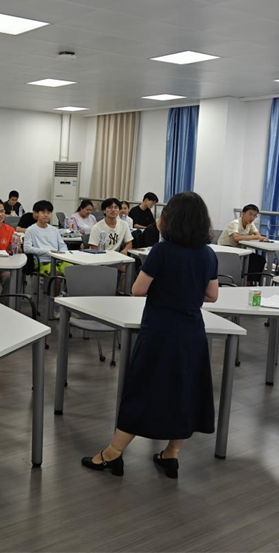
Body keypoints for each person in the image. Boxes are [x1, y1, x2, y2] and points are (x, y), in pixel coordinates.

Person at [81, 192, 219, 479]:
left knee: (143, 389)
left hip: (161, 330)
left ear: (171, 219)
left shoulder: (162, 251)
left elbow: (138, 289)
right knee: (185, 391)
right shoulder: (208, 253)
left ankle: (112, 453)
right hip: (192, 331)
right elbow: (212, 295)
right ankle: (171, 454)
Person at [24, 200, 69, 313]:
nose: (46, 215)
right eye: (43, 212)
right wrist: (49, 252)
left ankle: (68, 302)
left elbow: (62, 245)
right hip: (42, 262)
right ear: (36, 213)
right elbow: (27, 248)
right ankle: (55, 306)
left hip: (58, 259)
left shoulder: (54, 230)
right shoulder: (31, 230)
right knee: (57, 276)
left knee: (74, 272)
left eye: (48, 212)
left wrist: (63, 253)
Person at [218, 203, 268, 280]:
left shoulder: (250, 224)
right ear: (243, 214)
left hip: (239, 250)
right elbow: (236, 238)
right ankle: (245, 281)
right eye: (250, 214)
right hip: (226, 249)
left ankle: (250, 282)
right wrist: (255, 237)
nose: (252, 217)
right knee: (251, 260)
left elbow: (257, 235)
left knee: (260, 259)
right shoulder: (235, 223)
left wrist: (261, 238)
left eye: (255, 215)